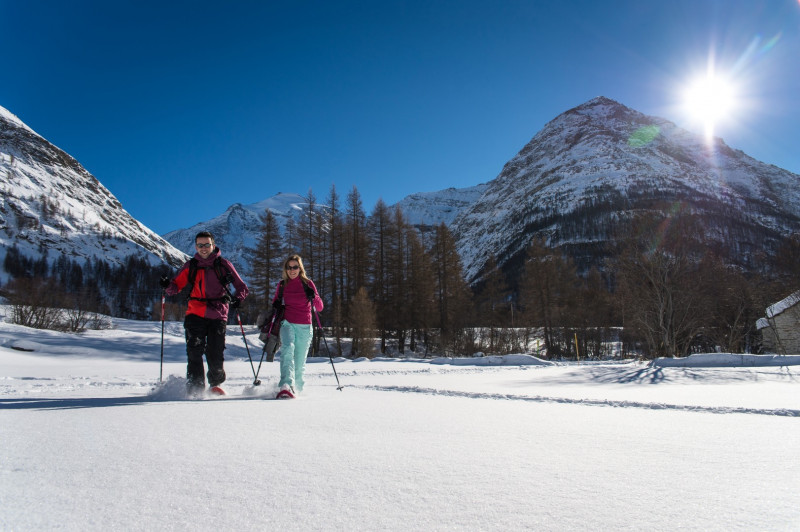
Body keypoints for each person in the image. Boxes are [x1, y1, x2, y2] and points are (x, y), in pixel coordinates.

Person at [160, 231, 248, 396]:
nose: (204, 248)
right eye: (200, 245)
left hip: (218, 314)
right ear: (196, 247)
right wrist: (166, 285)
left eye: (207, 244)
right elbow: (175, 287)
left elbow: (242, 287)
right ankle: (195, 387)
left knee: (215, 352)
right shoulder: (191, 266)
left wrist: (237, 299)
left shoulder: (224, 265)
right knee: (194, 350)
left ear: (213, 245)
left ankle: (215, 384)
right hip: (195, 312)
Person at [272, 254, 323, 399]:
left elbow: (319, 307)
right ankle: (286, 385)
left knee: (299, 361)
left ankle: (298, 389)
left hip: (305, 326)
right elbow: (275, 302)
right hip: (287, 323)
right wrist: (276, 304)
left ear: (300, 269)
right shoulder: (282, 284)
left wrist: (313, 296)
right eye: (289, 267)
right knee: (288, 349)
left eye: (295, 267)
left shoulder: (308, 284)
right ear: (286, 269)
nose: (292, 270)